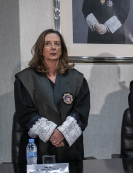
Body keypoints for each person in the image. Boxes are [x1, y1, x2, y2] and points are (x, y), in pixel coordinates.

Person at [14, 29, 90, 164]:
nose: (53, 47)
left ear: (62, 49)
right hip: (37, 149)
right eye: (47, 44)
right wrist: (52, 133)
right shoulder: (25, 78)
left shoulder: (76, 78)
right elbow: (25, 113)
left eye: (57, 44)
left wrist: (63, 134)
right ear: (40, 49)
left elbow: (81, 111)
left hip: (69, 148)